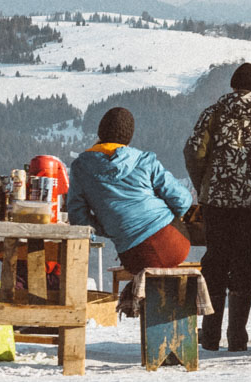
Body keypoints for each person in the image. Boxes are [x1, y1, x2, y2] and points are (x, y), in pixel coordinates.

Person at [184, 63, 251, 351]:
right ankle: (237, 338)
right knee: (245, 265)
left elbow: (194, 152)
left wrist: (204, 185)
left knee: (215, 262)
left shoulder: (214, 114)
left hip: (217, 204)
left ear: (233, 85)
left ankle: (209, 337)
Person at [68, 106, 194, 316]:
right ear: (128, 136)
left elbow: (78, 217)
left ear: (100, 133)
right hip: (174, 245)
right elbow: (182, 200)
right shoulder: (144, 160)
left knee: (143, 257)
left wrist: (109, 228)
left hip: (134, 256)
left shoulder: (81, 167)